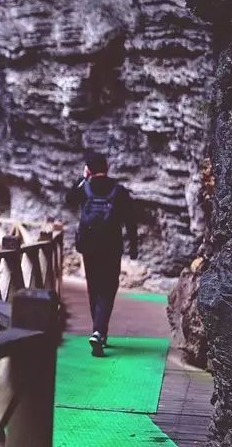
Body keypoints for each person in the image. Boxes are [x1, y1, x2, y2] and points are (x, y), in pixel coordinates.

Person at [65, 151, 138, 357]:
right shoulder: (119, 190)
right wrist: (133, 247)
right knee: (108, 288)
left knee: (94, 287)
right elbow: (130, 220)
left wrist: (82, 179)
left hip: (89, 247)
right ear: (107, 168)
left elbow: (68, 199)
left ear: (88, 170)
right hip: (111, 247)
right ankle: (99, 332)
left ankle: (98, 331)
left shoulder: (85, 188)